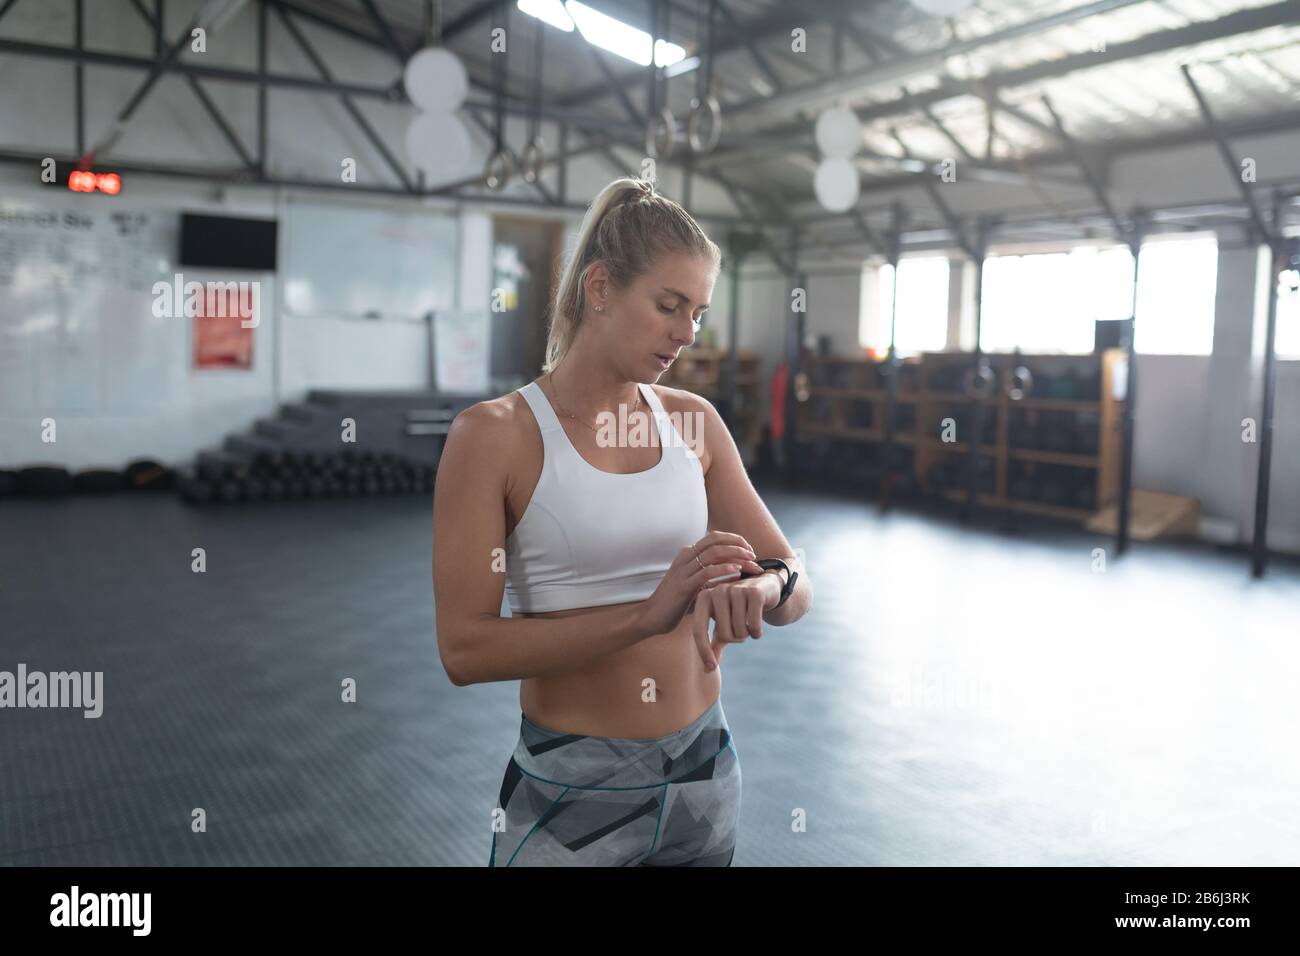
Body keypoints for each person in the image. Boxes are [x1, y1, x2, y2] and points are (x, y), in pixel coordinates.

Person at [433, 176, 812, 867]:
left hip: (703, 768)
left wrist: (759, 590)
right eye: (669, 305)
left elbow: (795, 580)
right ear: (600, 287)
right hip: (572, 786)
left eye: (697, 311)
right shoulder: (493, 436)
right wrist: (648, 615)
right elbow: (464, 651)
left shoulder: (693, 422)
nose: (686, 332)